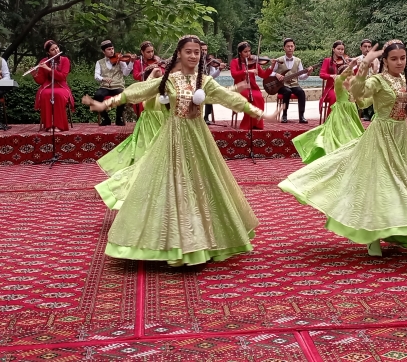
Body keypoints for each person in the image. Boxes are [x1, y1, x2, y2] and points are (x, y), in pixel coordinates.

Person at [83, 35, 272, 266]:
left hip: (198, 140)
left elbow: (228, 98)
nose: (193, 56)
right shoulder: (168, 80)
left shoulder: (204, 80)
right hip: (171, 138)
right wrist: (106, 103)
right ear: (179, 54)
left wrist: (259, 112)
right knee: (171, 186)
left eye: (197, 52)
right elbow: (138, 91)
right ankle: (169, 243)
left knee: (202, 185)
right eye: (188, 52)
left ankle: (204, 241)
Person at [279, 38, 407, 256]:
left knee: (404, 186)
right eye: (394, 59)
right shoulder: (378, 80)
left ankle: (397, 231)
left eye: (403, 58)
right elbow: (360, 95)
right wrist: (363, 67)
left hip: (402, 138)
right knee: (379, 186)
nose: (399, 62)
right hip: (380, 136)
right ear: (385, 61)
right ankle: (372, 236)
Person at [96, 64, 169, 174]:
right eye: (157, 76)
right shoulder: (148, 89)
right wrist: (152, 76)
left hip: (163, 120)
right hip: (150, 121)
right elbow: (146, 96)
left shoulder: (165, 87)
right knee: (148, 146)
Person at [293, 63, 366, 163]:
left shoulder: (353, 88)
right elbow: (340, 79)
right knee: (341, 135)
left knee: (355, 133)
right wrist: (349, 68)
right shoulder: (339, 87)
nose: (350, 77)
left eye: (352, 74)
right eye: (348, 75)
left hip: (352, 114)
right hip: (341, 114)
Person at [230, 41, 271, 130]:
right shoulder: (234, 62)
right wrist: (247, 71)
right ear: (240, 52)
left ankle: (257, 124)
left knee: (259, 97)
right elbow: (234, 74)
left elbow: (263, 75)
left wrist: (272, 67)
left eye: (249, 51)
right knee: (249, 98)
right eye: (245, 52)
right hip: (240, 88)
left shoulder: (253, 62)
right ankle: (247, 124)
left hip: (252, 87)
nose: (248, 54)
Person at [33, 40, 74, 131]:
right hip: (47, 86)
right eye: (52, 50)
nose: (56, 51)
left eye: (56, 48)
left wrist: (48, 69)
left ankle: (59, 125)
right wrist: (34, 74)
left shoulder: (65, 60)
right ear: (48, 52)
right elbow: (41, 81)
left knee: (58, 95)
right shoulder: (44, 61)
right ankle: (48, 125)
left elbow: (62, 76)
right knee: (45, 95)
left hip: (61, 86)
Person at [94, 40, 133, 126]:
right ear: (103, 51)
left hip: (118, 85)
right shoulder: (99, 62)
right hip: (105, 87)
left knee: (122, 95)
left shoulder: (120, 60)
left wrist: (131, 62)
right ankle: (106, 119)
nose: (112, 51)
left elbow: (126, 73)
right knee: (97, 96)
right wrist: (103, 78)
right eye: (109, 49)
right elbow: (96, 76)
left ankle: (118, 119)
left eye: (112, 48)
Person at [272, 38, 309, 123]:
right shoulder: (279, 60)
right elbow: (270, 72)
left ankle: (301, 116)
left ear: (294, 47)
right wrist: (276, 74)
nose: (290, 48)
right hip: (282, 85)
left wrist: (307, 73)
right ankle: (284, 115)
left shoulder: (298, 60)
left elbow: (301, 77)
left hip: (294, 85)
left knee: (301, 92)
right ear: (284, 48)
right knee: (287, 91)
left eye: (292, 46)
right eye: (288, 46)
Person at [131, 41, 163, 117]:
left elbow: (163, 72)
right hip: (143, 85)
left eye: (152, 51)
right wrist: (145, 71)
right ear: (142, 52)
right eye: (148, 52)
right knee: (138, 99)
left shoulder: (157, 60)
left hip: (156, 85)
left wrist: (157, 69)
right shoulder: (138, 62)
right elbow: (135, 76)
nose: (151, 54)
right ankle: (142, 118)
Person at [319, 40, 348, 115]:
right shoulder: (327, 61)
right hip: (331, 88)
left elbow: (353, 74)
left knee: (350, 97)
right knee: (335, 96)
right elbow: (322, 74)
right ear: (333, 49)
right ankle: (331, 119)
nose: (341, 51)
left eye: (342, 49)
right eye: (338, 49)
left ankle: (345, 120)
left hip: (344, 87)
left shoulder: (346, 60)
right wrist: (331, 76)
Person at [200, 41, 223, 124]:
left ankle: (206, 117)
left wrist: (219, 69)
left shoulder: (209, 62)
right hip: (194, 84)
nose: (204, 52)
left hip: (205, 84)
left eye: (205, 50)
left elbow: (212, 76)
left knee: (210, 93)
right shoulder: (193, 60)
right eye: (202, 50)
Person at [356, 39, 376, 121]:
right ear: (361, 48)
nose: (367, 48)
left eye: (369, 47)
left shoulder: (375, 59)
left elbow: (377, 72)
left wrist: (373, 67)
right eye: (365, 46)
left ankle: (373, 112)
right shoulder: (357, 59)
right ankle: (365, 112)